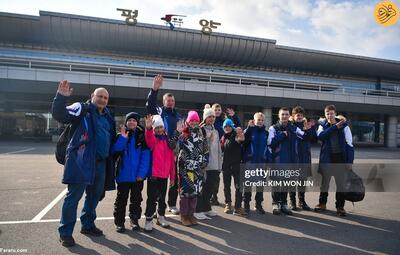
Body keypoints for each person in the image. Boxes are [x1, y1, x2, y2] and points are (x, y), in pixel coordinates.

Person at [52, 80, 116, 247]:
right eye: (100, 96)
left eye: (105, 97)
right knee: (73, 198)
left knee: (94, 196)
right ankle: (65, 233)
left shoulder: (108, 116)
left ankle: (87, 225)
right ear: (92, 96)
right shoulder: (82, 108)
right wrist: (61, 98)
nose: (102, 99)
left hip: (101, 163)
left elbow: (111, 138)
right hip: (81, 162)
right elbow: (61, 115)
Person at [146, 74, 182, 215]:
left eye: (172, 100)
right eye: (168, 100)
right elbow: (150, 105)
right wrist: (155, 89)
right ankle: (155, 210)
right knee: (159, 183)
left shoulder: (178, 116)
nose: (171, 102)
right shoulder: (159, 112)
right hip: (162, 150)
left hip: (175, 151)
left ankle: (171, 204)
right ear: (163, 101)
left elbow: (183, 133)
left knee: (174, 178)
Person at [112, 112, 150, 233]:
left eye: (134, 120)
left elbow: (145, 157)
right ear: (126, 122)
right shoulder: (121, 135)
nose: (132, 122)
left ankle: (134, 220)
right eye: (129, 120)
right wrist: (123, 139)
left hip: (137, 177)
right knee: (121, 200)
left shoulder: (142, 136)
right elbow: (115, 150)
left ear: (137, 122)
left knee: (136, 200)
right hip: (123, 175)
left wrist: (141, 174)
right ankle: (119, 223)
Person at [314, 105, 354, 217]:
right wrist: (334, 127)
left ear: (335, 113)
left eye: (331, 113)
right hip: (327, 159)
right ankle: (322, 204)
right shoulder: (323, 125)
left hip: (340, 159)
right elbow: (321, 137)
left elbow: (350, 144)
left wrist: (350, 161)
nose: (329, 115)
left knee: (340, 184)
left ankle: (340, 207)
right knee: (324, 184)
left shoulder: (345, 126)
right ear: (325, 114)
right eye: (327, 113)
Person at [143, 114, 180, 232]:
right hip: (154, 175)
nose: (159, 129)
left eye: (160, 127)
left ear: (164, 128)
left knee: (162, 198)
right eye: (156, 128)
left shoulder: (168, 141)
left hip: (164, 176)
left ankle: (161, 216)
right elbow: (149, 140)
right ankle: (148, 219)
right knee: (152, 198)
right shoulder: (154, 140)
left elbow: (171, 161)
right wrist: (148, 129)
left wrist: (172, 176)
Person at [267, 107, 304, 216]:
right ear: (279, 116)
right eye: (282, 114)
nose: (284, 116)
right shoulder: (273, 128)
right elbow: (270, 143)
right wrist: (282, 135)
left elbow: (305, 136)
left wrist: (305, 125)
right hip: (277, 161)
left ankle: (283, 204)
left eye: (286, 114)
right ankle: (275, 204)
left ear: (289, 116)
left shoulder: (294, 128)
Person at [177, 111, 209, 226]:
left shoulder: (201, 133)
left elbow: (206, 150)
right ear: (188, 122)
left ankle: (191, 214)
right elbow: (176, 147)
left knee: (195, 193)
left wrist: (204, 162)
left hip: (198, 169)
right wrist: (179, 134)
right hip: (185, 169)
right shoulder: (184, 133)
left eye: (196, 120)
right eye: (192, 120)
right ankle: (184, 216)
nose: (194, 122)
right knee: (185, 193)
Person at [210, 103, 241, 206]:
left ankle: (216, 198)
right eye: (215, 110)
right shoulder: (211, 122)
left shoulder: (224, 122)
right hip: (213, 152)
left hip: (225, 152)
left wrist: (234, 116)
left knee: (219, 177)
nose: (217, 111)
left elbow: (235, 127)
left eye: (219, 110)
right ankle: (213, 196)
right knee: (214, 176)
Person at [194, 105, 222, 220]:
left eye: (213, 117)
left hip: (214, 165)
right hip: (204, 165)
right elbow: (198, 147)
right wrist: (207, 140)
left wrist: (220, 165)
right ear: (205, 118)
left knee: (210, 188)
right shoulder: (200, 130)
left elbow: (219, 149)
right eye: (209, 117)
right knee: (201, 188)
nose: (211, 119)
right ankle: (198, 210)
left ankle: (207, 208)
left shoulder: (215, 131)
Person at [289, 106, 317, 211]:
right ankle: (292, 202)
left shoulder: (307, 125)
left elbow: (314, 139)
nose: (299, 116)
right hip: (293, 157)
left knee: (302, 181)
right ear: (293, 116)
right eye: (297, 115)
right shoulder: (290, 126)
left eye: (301, 115)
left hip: (305, 157)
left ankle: (302, 201)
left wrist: (309, 129)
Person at [242, 112, 269, 215]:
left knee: (260, 186)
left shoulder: (266, 133)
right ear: (254, 120)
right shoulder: (249, 131)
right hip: (250, 162)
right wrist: (249, 128)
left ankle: (258, 204)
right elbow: (243, 142)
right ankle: (246, 205)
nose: (260, 122)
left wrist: (267, 160)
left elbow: (268, 147)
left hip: (262, 163)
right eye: (258, 120)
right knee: (248, 185)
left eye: (262, 120)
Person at [221, 118, 247, 217]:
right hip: (226, 166)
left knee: (239, 188)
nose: (227, 128)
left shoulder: (236, 135)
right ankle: (228, 204)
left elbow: (241, 139)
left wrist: (239, 134)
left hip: (237, 166)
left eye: (229, 126)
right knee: (226, 187)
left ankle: (238, 207)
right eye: (225, 126)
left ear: (232, 127)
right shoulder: (223, 138)